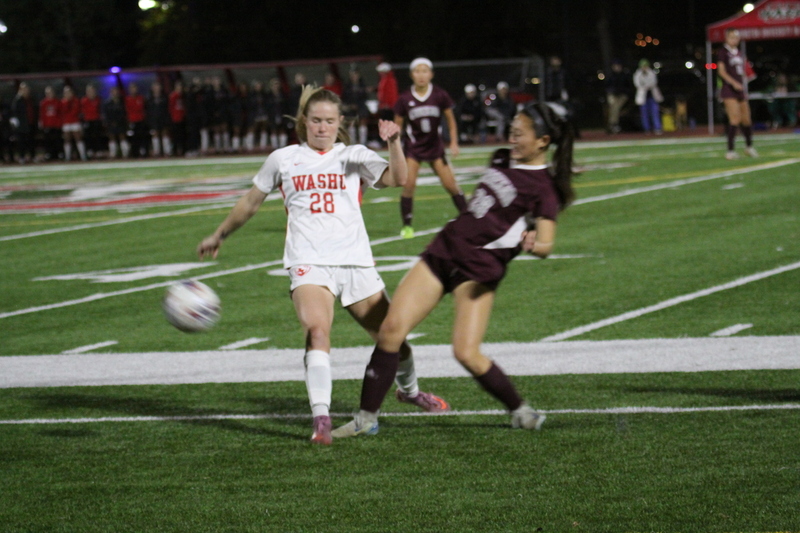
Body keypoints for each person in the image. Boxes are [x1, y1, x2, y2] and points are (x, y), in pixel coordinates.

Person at [196, 87, 449, 446]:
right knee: (317, 331)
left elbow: (398, 179)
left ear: (339, 123)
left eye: (330, 121)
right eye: (316, 120)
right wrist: (219, 234)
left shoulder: (353, 155)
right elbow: (251, 202)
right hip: (308, 261)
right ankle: (322, 417)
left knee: (394, 340)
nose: (322, 127)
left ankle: (409, 391)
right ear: (304, 122)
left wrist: (393, 143)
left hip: (355, 262)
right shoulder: (283, 159)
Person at [332, 102, 576, 438]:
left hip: (478, 271)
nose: (512, 137)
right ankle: (365, 418)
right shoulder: (502, 157)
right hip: (445, 250)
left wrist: (534, 244)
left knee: (465, 352)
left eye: (520, 134)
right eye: (512, 130)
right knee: (391, 330)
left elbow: (547, 243)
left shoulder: (543, 189)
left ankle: (520, 410)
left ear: (543, 141)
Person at [393, 57, 465, 239]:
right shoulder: (405, 98)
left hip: (435, 148)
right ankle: (407, 226)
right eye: (418, 71)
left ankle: (469, 220)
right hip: (414, 148)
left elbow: (450, 119)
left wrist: (454, 142)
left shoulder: (440, 95)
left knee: (451, 186)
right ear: (411, 75)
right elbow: (397, 126)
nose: (421, 75)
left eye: (425, 71)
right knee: (408, 185)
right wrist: (395, 150)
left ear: (431, 74)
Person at [633, 59, 663, 135]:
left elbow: (653, 82)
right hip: (643, 97)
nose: (644, 68)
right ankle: (647, 129)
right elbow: (637, 84)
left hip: (652, 96)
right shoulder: (637, 74)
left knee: (655, 112)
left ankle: (657, 128)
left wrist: (645, 85)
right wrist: (646, 85)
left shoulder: (652, 73)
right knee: (644, 114)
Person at [10, 82, 37, 164]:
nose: (26, 91)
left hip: (31, 123)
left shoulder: (31, 99)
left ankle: (33, 156)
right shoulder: (18, 100)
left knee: (31, 141)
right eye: (24, 89)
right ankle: (22, 157)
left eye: (27, 89)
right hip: (22, 125)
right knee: (22, 142)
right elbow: (14, 112)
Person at [342, 68, 370, 145]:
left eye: (355, 75)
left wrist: (359, 104)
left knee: (363, 123)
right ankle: (352, 143)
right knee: (351, 124)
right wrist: (350, 105)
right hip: (350, 107)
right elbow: (345, 97)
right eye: (352, 75)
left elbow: (365, 96)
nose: (354, 77)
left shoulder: (363, 85)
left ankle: (363, 143)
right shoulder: (347, 86)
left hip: (361, 106)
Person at [146, 81, 171, 157]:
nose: (157, 88)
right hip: (154, 119)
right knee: (155, 134)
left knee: (165, 134)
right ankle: (157, 152)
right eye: (155, 87)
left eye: (158, 87)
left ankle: (167, 151)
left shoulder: (164, 98)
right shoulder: (150, 99)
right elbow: (148, 110)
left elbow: (168, 109)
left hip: (163, 118)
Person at [103, 86, 129, 158]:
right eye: (113, 91)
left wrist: (120, 121)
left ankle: (125, 153)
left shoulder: (122, 102)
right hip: (111, 123)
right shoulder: (107, 103)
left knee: (122, 137)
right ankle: (113, 154)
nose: (115, 93)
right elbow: (106, 114)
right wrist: (110, 122)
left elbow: (124, 113)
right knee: (112, 138)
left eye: (116, 91)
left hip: (121, 123)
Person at [605, 59, 630, 134]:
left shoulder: (624, 75)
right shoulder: (611, 76)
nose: (617, 68)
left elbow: (628, 87)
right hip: (612, 95)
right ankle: (614, 124)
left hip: (622, 95)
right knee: (614, 105)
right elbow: (607, 87)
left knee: (615, 106)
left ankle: (612, 124)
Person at [39, 86, 63, 161]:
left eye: (50, 92)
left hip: (56, 124)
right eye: (47, 93)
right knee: (48, 141)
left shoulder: (57, 102)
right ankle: (49, 154)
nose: (49, 94)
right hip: (47, 125)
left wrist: (60, 124)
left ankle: (58, 154)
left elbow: (60, 113)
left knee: (57, 140)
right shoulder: (43, 103)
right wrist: (42, 124)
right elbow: (42, 114)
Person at [81, 84, 104, 158]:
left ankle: (99, 151)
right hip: (88, 121)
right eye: (89, 91)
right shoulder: (84, 101)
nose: (91, 93)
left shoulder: (98, 100)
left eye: (92, 91)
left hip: (96, 120)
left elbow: (101, 111)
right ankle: (90, 151)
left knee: (98, 136)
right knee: (88, 137)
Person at [125, 83, 148, 157]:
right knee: (134, 139)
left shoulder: (141, 98)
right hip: (132, 121)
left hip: (141, 121)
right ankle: (134, 153)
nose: (133, 90)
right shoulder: (127, 99)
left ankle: (144, 152)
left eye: (134, 88)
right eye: (132, 89)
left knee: (143, 137)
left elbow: (145, 109)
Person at [168, 80, 187, 157]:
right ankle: (174, 150)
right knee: (175, 136)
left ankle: (183, 150)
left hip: (182, 118)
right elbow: (171, 108)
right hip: (175, 119)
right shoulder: (173, 96)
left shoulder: (182, 96)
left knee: (182, 136)